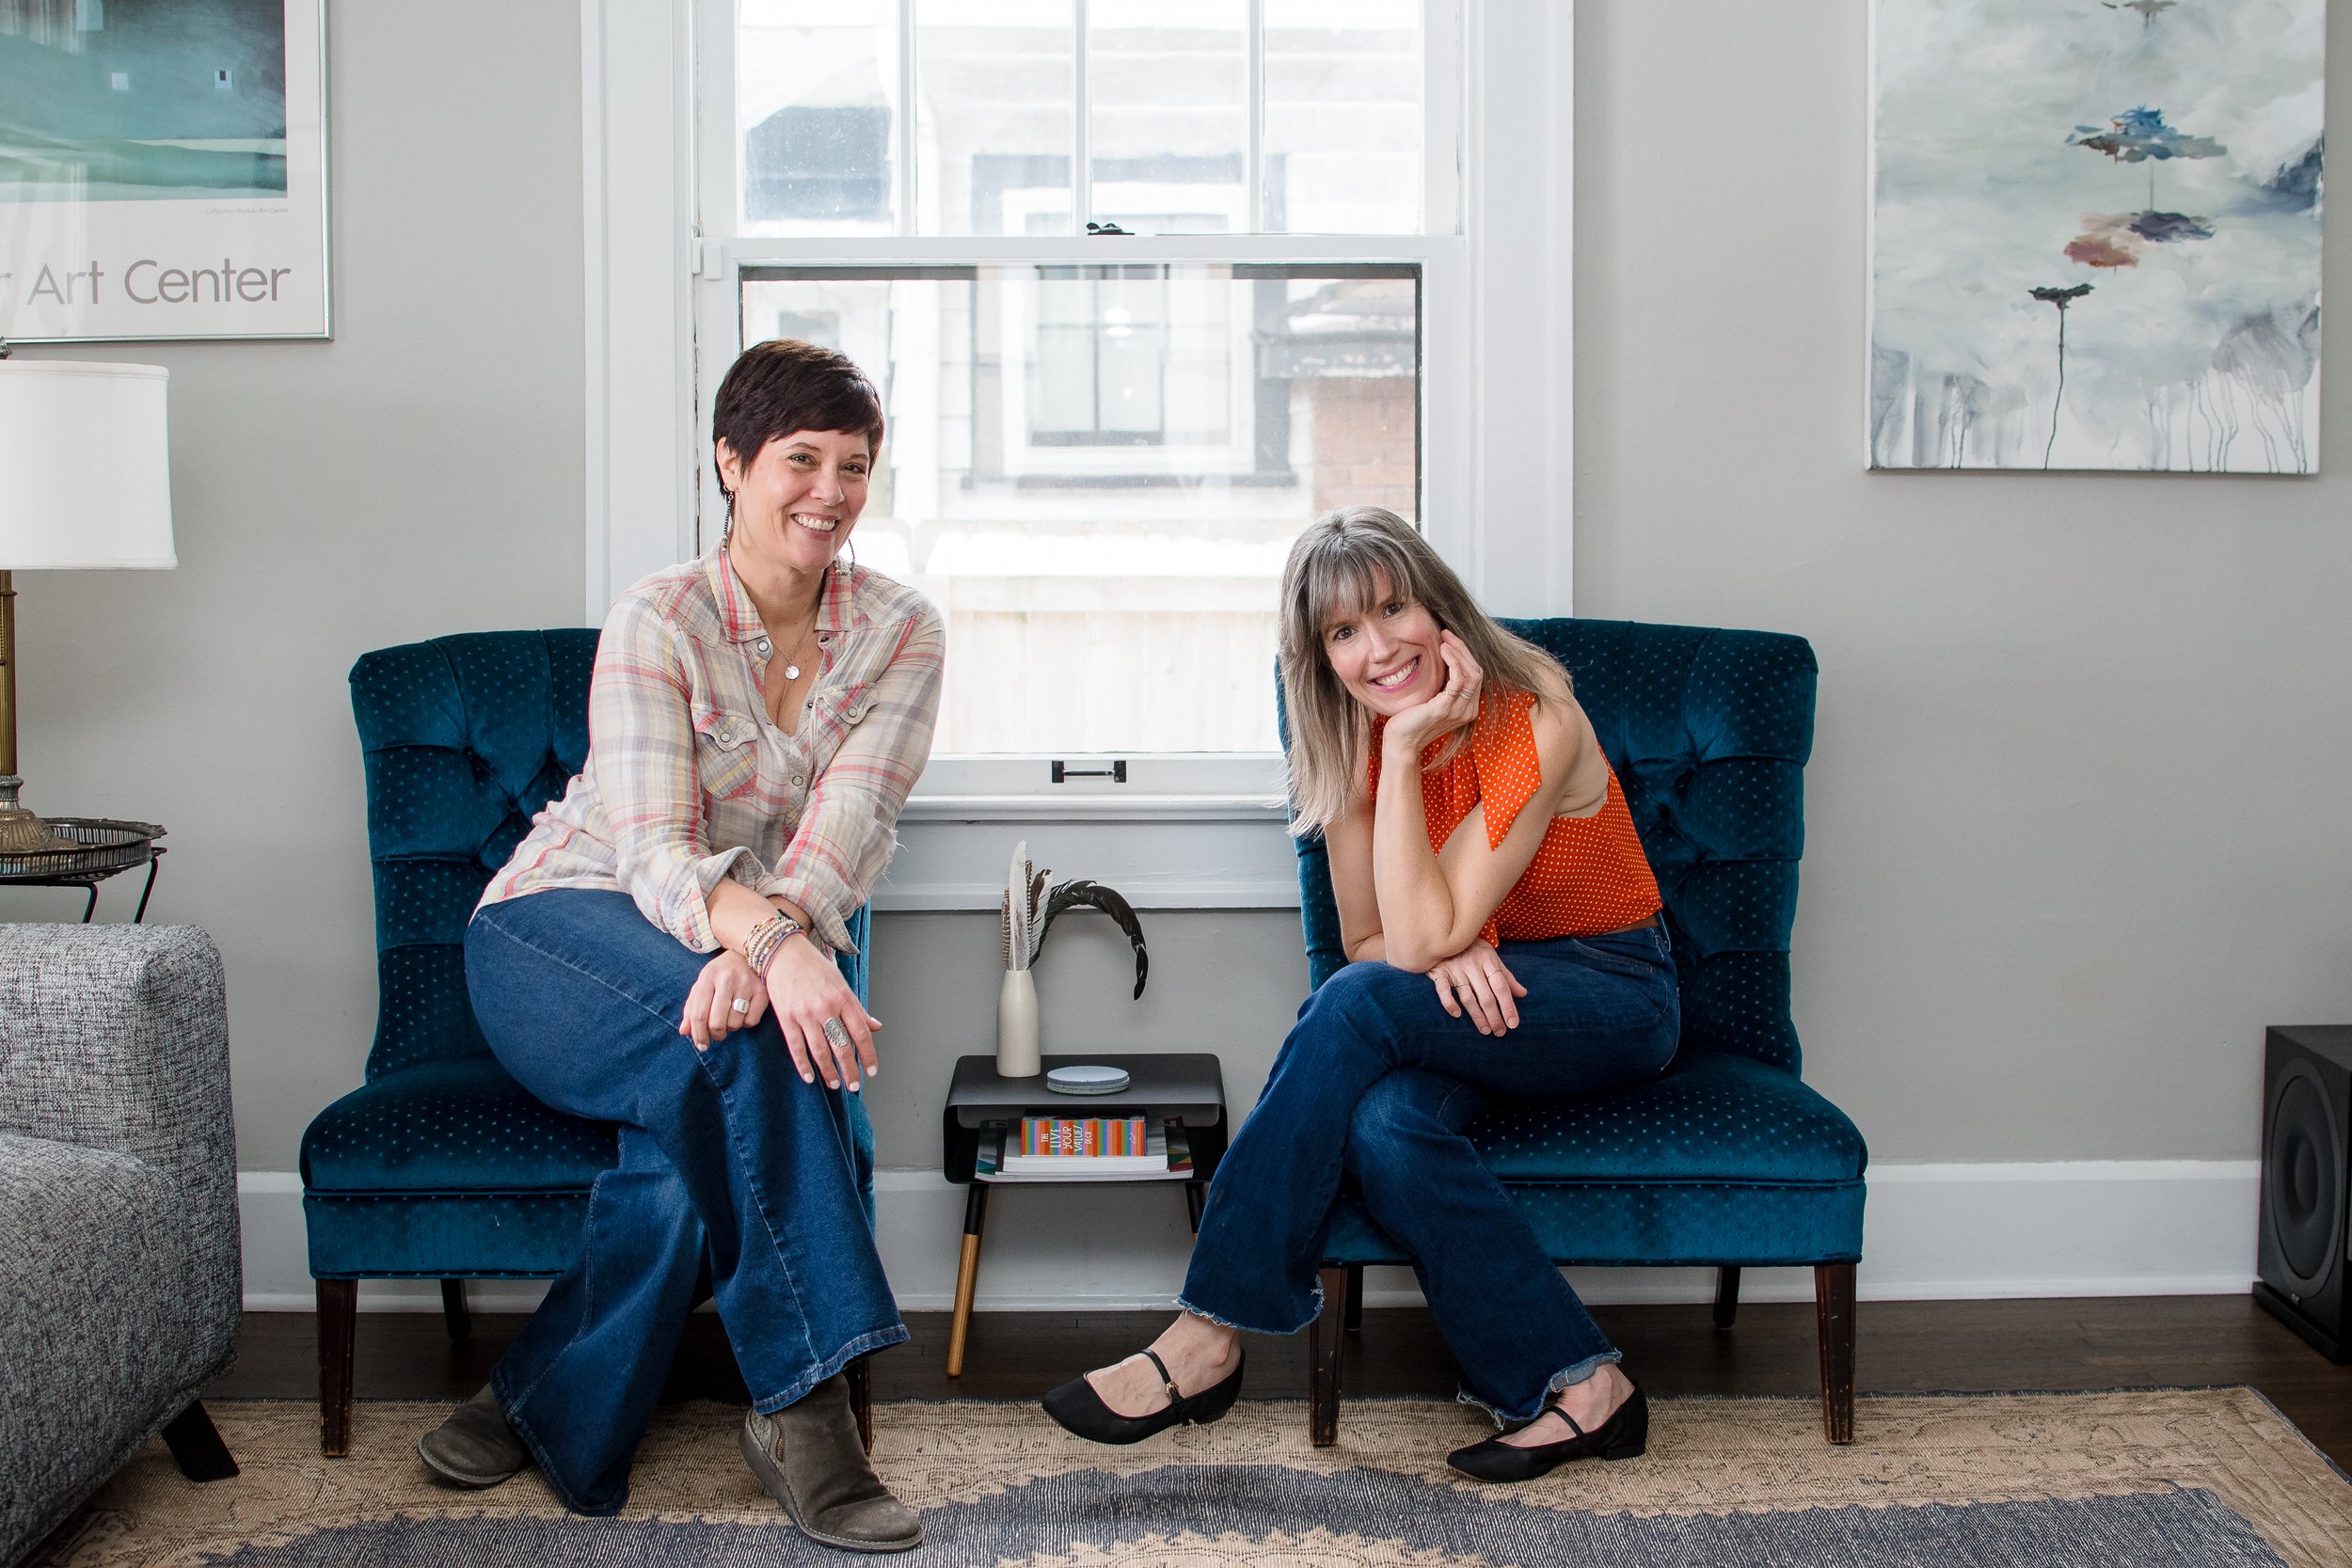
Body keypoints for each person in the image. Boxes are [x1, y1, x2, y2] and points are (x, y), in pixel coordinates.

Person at [423, 340, 944, 1551]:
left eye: (853, 466)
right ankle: (809, 1406)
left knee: (691, 1130)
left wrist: (767, 943)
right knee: (748, 1041)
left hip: (736, 957)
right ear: (731, 461)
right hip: (559, 931)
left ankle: (535, 1397)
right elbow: (654, 853)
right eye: (798, 459)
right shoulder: (657, 615)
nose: (829, 490)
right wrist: (772, 941)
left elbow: (849, 828)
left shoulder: (900, 631)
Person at [1042, 505, 1679, 1482]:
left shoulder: (1537, 713)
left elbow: (1404, 944)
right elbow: (1374, 939)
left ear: (1441, 607)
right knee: (1385, 1123)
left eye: (1392, 610)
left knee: (1353, 1003)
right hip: (1474, 996)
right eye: (1343, 631)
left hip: (1610, 985)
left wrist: (1419, 779)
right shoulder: (1345, 734)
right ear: (1320, 652)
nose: (1378, 649)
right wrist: (1429, 921)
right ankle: (1586, 1387)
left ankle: (1208, 1330)